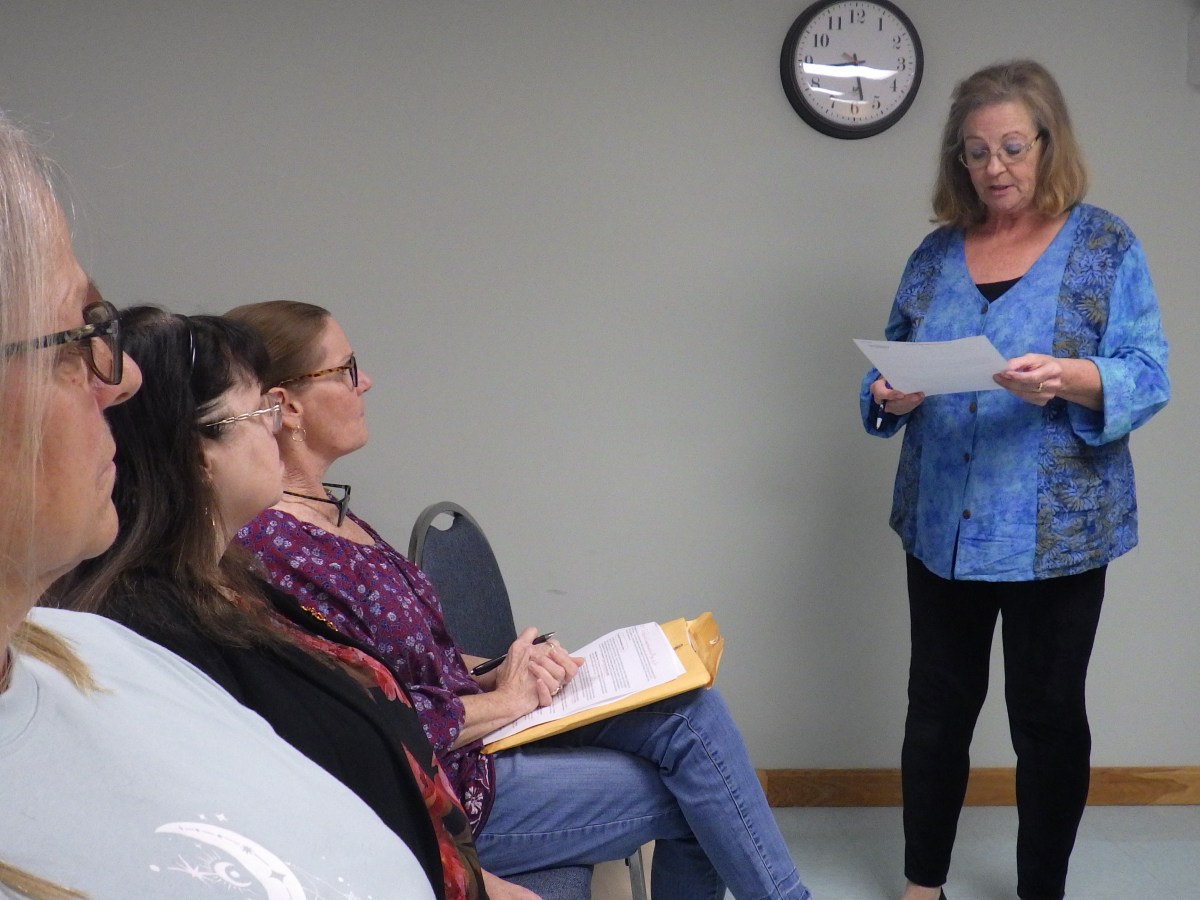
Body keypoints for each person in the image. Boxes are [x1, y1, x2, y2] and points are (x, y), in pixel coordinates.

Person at [227, 300, 812, 900]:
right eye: (346, 369)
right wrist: (507, 699)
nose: (366, 382)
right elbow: (365, 722)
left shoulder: (329, 514)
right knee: (706, 793)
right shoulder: (274, 547)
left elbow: (412, 664)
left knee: (692, 712)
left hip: (475, 747)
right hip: (443, 795)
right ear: (287, 405)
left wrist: (500, 669)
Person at [0, 111, 436, 898]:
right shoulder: (157, 627)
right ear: (199, 448)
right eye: (74, 338)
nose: (121, 381)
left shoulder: (105, 651)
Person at [47, 306, 525, 900]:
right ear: (199, 453)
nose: (276, 428)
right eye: (260, 412)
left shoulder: (230, 583)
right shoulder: (166, 633)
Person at [860, 60, 1169, 900]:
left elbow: (1150, 372)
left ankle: (1042, 891)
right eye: (975, 151)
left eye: (1011, 147)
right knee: (935, 712)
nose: (993, 167)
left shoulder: (1105, 246)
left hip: (1058, 533)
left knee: (1047, 719)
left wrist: (1068, 377)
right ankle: (923, 886)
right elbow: (887, 368)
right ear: (957, 159)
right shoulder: (934, 256)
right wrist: (888, 393)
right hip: (941, 526)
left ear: (1047, 142)